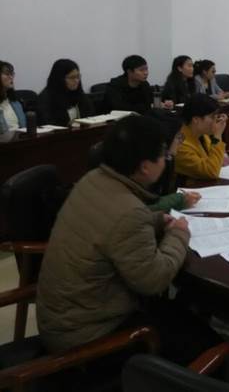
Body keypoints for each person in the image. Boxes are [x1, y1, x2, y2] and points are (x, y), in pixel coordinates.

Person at [35, 115, 212, 362]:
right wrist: (179, 232)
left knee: (183, 313)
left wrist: (155, 220)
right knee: (203, 341)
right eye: (163, 155)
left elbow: (111, 226)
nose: (166, 160)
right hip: (88, 338)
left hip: (65, 316)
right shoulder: (129, 212)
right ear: (145, 167)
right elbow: (154, 280)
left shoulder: (93, 179)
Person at [147, 110, 201, 212]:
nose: (181, 141)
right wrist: (179, 200)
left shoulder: (168, 158)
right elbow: (144, 206)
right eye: (178, 137)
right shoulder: (148, 164)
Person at [175, 94, 228, 180]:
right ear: (196, 119)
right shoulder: (180, 145)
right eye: (212, 117)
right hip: (190, 186)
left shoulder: (202, 134)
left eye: (217, 116)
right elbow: (211, 172)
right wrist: (217, 136)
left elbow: (215, 160)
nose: (216, 121)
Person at [37, 59, 94, 126]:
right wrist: (69, 124)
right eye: (72, 77)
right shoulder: (46, 98)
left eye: (78, 76)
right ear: (60, 79)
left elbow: (91, 115)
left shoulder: (79, 93)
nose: (76, 81)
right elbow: (47, 123)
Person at [0, 61, 26, 134]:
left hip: (21, 138)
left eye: (12, 74)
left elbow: (24, 127)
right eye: (7, 74)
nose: (11, 77)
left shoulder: (15, 102)